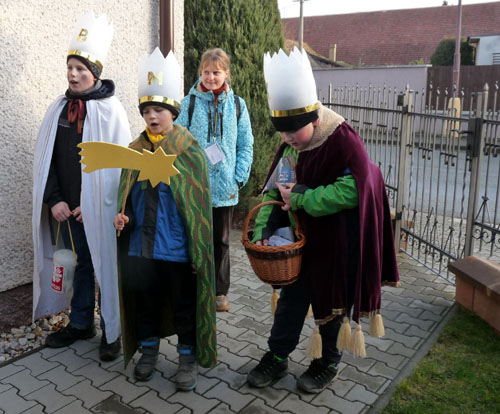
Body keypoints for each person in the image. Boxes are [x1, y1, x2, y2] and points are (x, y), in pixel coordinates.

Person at [246, 47, 400, 393]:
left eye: (293, 133)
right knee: (289, 305)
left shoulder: (341, 141)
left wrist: (301, 198)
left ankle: (326, 361)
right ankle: (277, 355)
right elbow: (275, 190)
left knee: (330, 308)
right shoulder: (290, 145)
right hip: (299, 247)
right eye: (281, 133)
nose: (286, 140)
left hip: (335, 244)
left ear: (313, 119)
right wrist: (263, 230)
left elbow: (355, 189)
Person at [113, 48, 216, 390]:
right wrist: (122, 216)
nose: (152, 116)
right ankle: (149, 351)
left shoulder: (189, 151)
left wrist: (195, 250)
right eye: (146, 110)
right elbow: (126, 194)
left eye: (158, 109)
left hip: (177, 248)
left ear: (172, 111)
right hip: (142, 246)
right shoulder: (133, 149)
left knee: (185, 305)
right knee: (146, 303)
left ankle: (187, 357)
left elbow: (198, 203)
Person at [32, 11, 131, 361]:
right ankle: (80, 322)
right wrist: (55, 200)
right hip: (67, 209)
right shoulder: (59, 109)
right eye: (70, 68)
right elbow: (48, 161)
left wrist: (95, 204)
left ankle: (112, 330)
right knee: (81, 265)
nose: (73, 75)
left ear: (94, 75)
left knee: (105, 265)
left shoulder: (110, 111)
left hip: (98, 209)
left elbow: (118, 169)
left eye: (81, 70)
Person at [175, 48, 254, 312]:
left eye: (216, 72)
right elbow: (177, 141)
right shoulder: (189, 103)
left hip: (225, 188)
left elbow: (246, 144)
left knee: (220, 241)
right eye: (206, 72)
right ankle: (196, 287)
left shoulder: (238, 106)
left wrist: (238, 177)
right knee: (195, 238)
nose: (211, 77)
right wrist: (185, 176)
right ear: (200, 72)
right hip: (196, 187)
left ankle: (220, 292)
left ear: (226, 74)